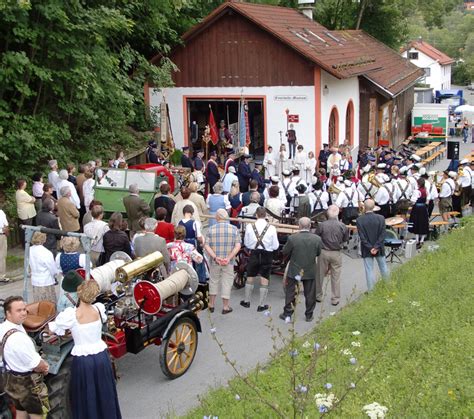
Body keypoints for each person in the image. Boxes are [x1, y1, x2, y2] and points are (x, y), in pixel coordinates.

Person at [48, 280, 122, 419]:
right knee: (104, 392)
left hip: (84, 361)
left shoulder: (71, 315)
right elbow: (104, 320)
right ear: (94, 296)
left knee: (86, 395)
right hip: (101, 357)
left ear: (79, 293)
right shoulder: (99, 309)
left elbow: (55, 328)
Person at [0, 296, 50, 419]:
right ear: (8, 313)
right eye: (19, 310)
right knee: (38, 415)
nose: (23, 313)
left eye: (24, 309)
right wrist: (45, 367)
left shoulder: (3, 328)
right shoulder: (19, 339)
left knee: (20, 411)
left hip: (10, 379)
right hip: (26, 383)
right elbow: (37, 365)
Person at [279, 217, 322, 322]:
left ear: (299, 226)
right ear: (310, 226)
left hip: (295, 269)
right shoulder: (317, 239)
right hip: (310, 269)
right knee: (310, 293)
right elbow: (318, 253)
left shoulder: (292, 238)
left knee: (291, 292)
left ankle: (288, 313)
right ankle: (309, 315)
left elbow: (285, 251)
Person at [241, 207, 279, 311]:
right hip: (267, 254)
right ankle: (261, 305)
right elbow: (275, 246)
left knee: (250, 275)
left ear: (256, 215)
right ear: (266, 215)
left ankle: (246, 301)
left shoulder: (249, 226)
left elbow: (247, 244)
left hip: (254, 253)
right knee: (265, 277)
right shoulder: (271, 228)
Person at [204, 209, 241, 314]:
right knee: (227, 282)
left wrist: (215, 257)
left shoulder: (211, 229)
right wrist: (229, 258)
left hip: (215, 261)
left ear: (217, 217)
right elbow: (238, 246)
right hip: (228, 262)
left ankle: (211, 304)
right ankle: (225, 306)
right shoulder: (234, 229)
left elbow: (206, 245)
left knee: (213, 281)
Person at [316, 205, 349, 306]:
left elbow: (317, 237)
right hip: (336, 252)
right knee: (336, 276)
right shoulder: (342, 226)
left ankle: (318, 295)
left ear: (327, 213)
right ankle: (335, 298)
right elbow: (345, 239)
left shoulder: (322, 225)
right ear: (338, 213)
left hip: (323, 251)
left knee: (320, 274)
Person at [356, 199, 389, 292]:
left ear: (364, 207)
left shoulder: (359, 220)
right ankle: (388, 287)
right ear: (374, 207)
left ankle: (371, 291)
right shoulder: (381, 218)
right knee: (383, 267)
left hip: (367, 249)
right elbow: (383, 234)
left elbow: (362, 237)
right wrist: (376, 247)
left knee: (369, 270)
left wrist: (370, 247)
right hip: (379, 248)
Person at [29, 232, 58, 303]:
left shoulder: (29, 250)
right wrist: (55, 274)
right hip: (46, 280)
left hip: (35, 280)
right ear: (44, 239)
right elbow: (52, 268)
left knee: (38, 303)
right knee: (48, 304)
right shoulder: (46, 252)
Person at [408, 178, 429, 248]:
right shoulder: (426, 190)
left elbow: (413, 201)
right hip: (423, 208)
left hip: (417, 208)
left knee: (416, 222)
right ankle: (422, 240)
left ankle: (417, 240)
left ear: (418, 184)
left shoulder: (417, 191)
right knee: (423, 222)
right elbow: (428, 200)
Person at [16, 178, 36, 248]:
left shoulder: (18, 192)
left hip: (22, 214)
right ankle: (28, 245)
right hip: (27, 215)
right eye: (25, 183)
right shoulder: (22, 193)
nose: (26, 184)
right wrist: (33, 198)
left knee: (22, 231)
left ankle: (24, 245)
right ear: (22, 184)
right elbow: (32, 200)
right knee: (28, 230)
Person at [0, 207, 9, 282]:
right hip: (1, 235)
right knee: (1, 256)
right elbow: (5, 226)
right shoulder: (1, 212)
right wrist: (7, 234)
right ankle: (1, 276)